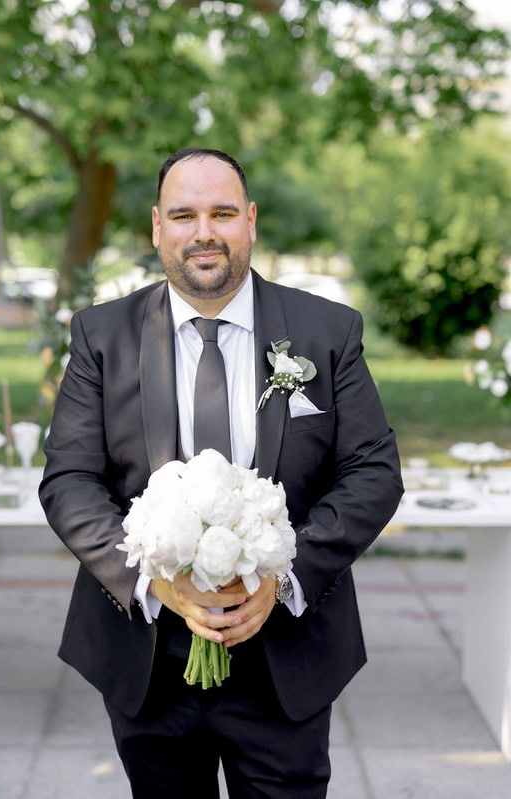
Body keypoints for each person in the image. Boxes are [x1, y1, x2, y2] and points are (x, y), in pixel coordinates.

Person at [39, 147, 404, 798]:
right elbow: (69, 480)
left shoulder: (326, 331)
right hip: (149, 659)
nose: (203, 232)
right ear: (158, 227)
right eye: (184, 215)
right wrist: (155, 580)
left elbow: (373, 470)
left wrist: (283, 576)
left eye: (223, 213)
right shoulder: (102, 335)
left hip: (285, 657)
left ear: (251, 221)